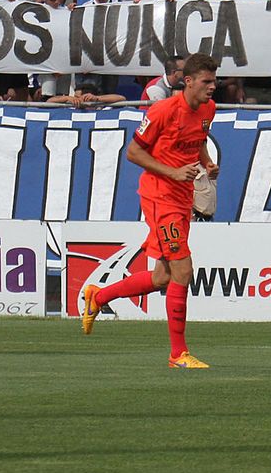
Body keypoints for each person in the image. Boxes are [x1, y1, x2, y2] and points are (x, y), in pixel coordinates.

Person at [80, 54, 220, 371]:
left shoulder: (208, 109)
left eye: (214, 81)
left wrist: (207, 162)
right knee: (183, 270)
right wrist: (172, 172)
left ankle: (98, 297)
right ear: (188, 81)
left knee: (162, 277)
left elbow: (198, 140)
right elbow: (133, 152)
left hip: (182, 197)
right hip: (160, 197)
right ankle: (178, 354)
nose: (212, 87)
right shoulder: (163, 110)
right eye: (207, 81)